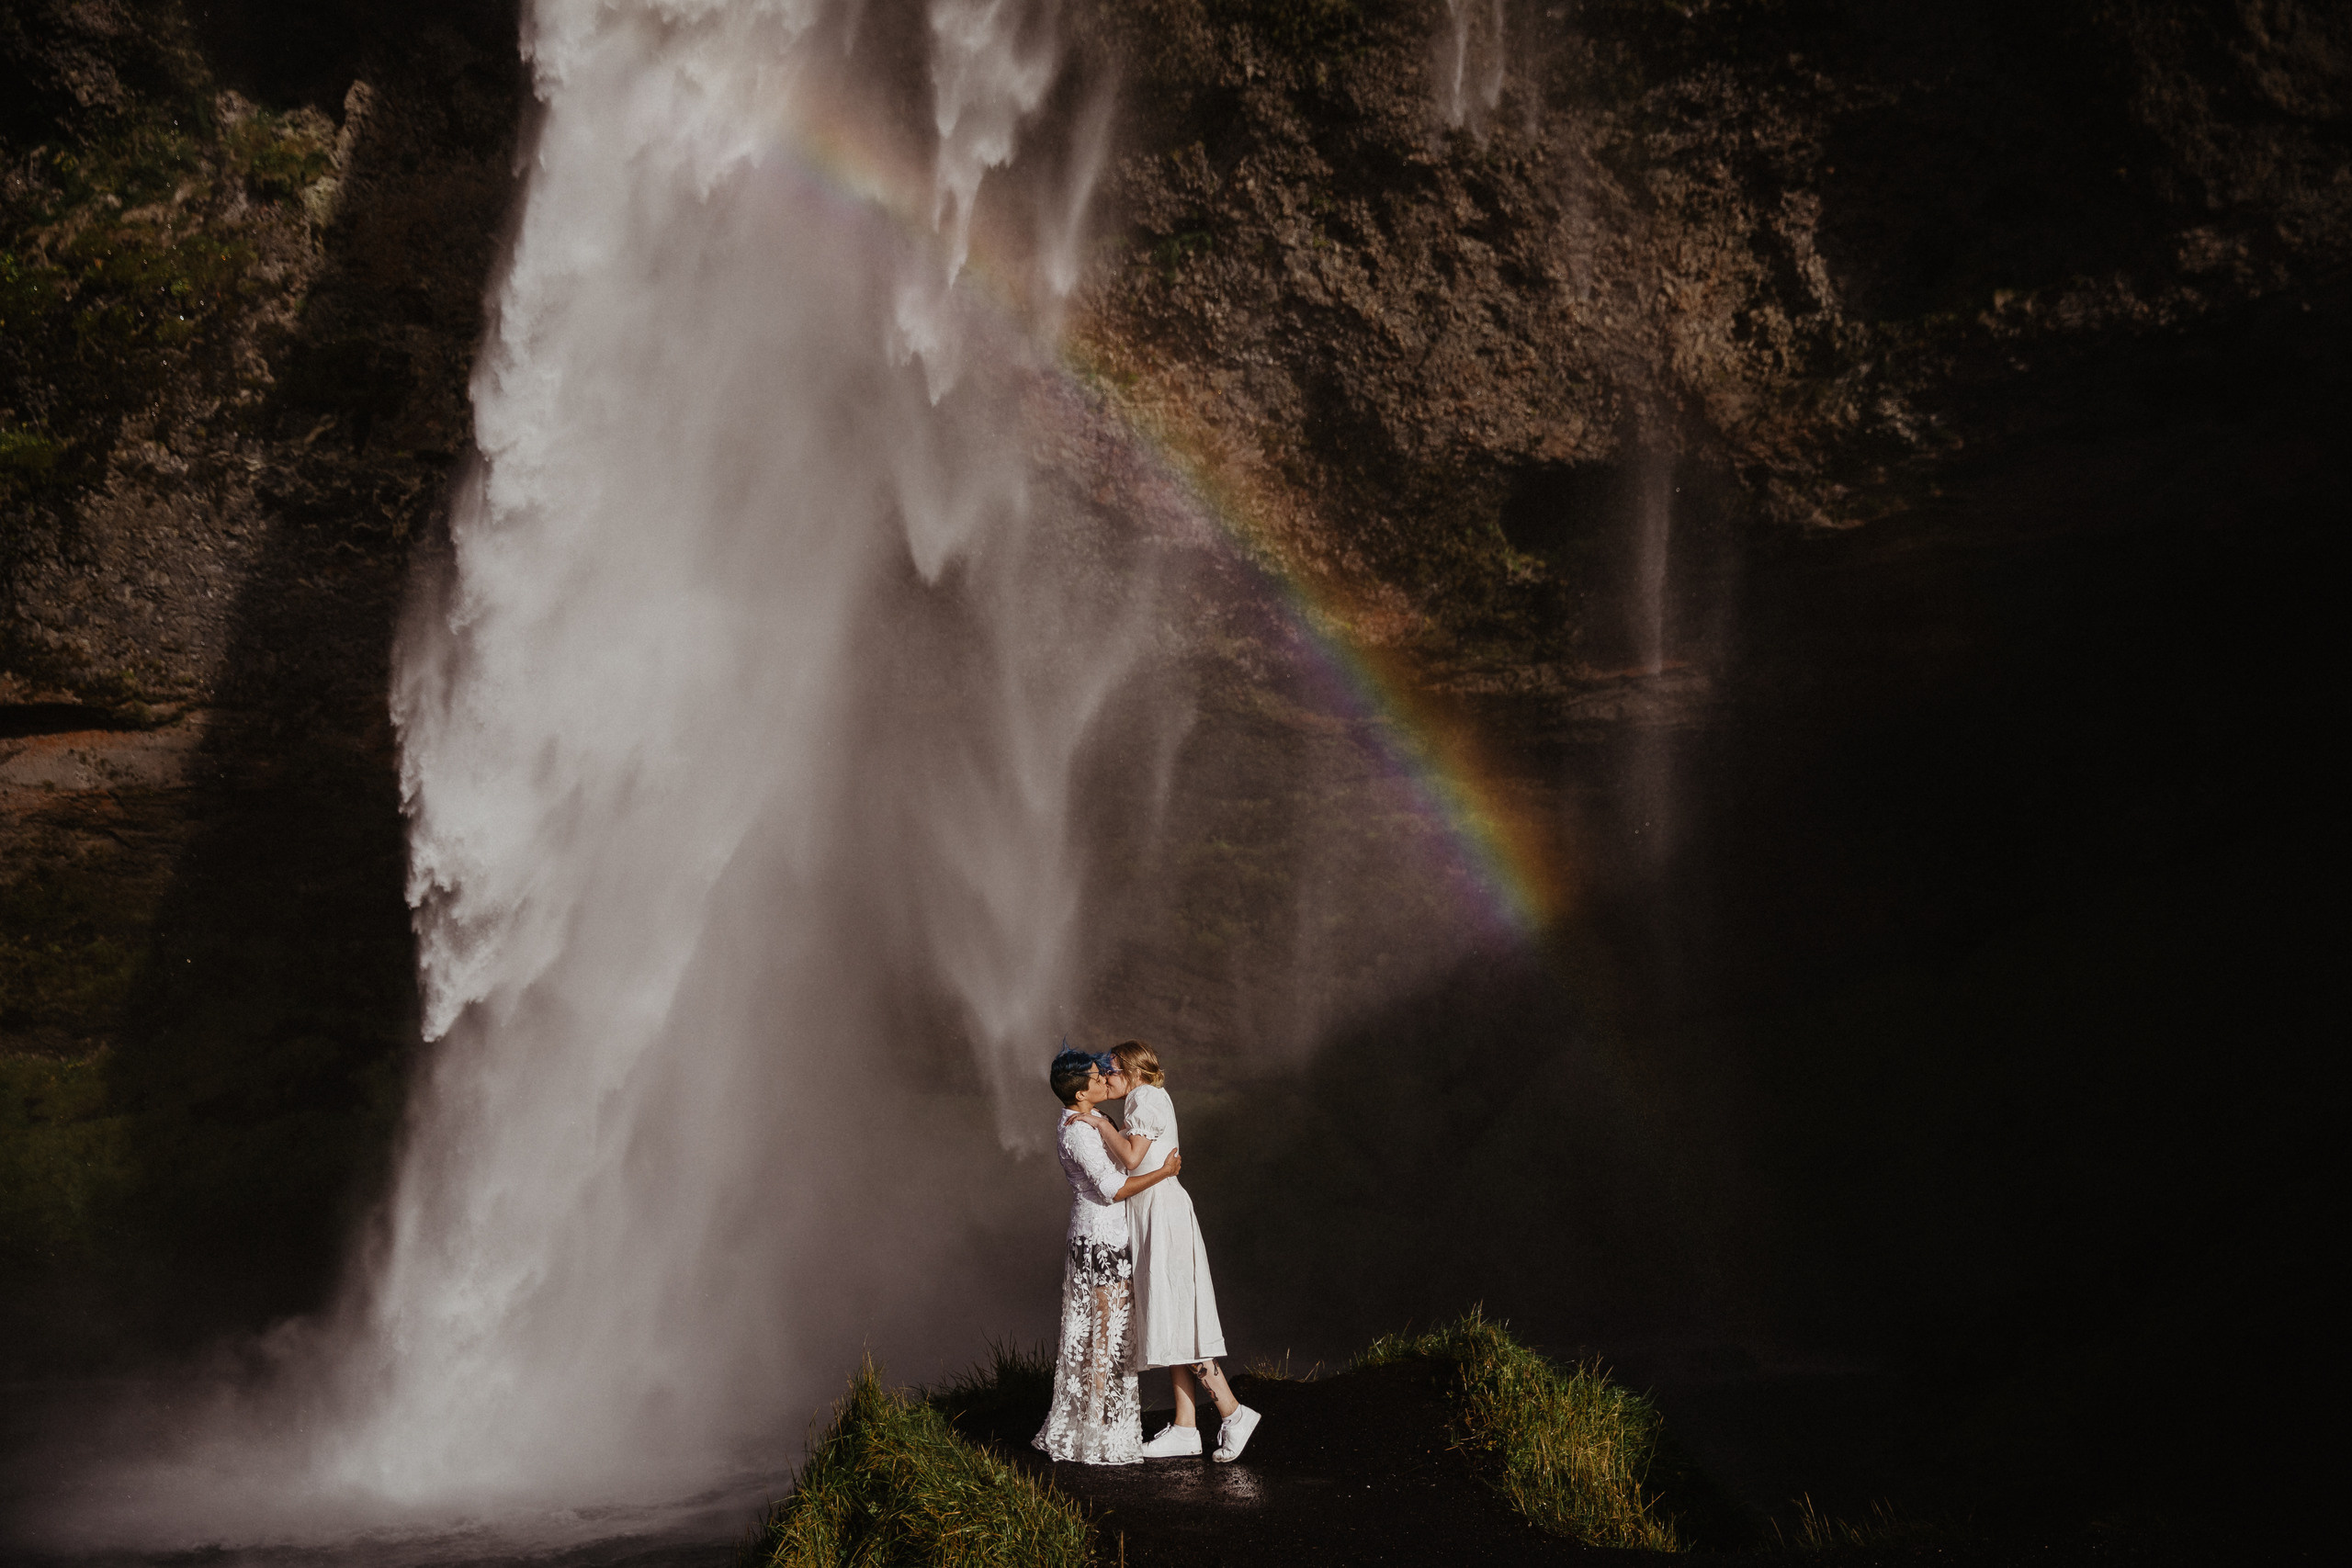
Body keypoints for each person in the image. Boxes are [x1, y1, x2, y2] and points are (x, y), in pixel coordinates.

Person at [1079, 1040, 1261, 1462]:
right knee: (1168, 1315)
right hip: (1150, 1214)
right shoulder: (1144, 1099)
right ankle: (1185, 1426)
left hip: (1162, 1214)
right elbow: (1134, 1162)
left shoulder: (1146, 1099)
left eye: (1112, 1070)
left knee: (1179, 1315)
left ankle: (1232, 1413)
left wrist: (1100, 1123)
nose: (1106, 1077)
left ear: (1132, 1071)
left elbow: (1131, 1156)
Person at [1033, 1047, 1185, 1465]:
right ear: (1081, 1094)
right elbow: (1111, 1190)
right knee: (1105, 1340)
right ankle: (1098, 1438)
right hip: (1102, 1243)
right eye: (1095, 1078)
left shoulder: (1085, 1121)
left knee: (1105, 1338)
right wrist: (1164, 1173)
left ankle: (1100, 1429)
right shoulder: (1079, 1131)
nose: (1104, 1080)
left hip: (1103, 1239)